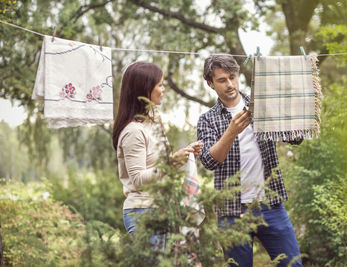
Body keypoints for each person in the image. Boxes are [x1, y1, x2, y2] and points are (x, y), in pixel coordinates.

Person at [197, 54, 303, 266]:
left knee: (293, 264)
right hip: (231, 211)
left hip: (270, 205)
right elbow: (209, 161)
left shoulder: (261, 106)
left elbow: (296, 138)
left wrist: (282, 114)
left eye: (232, 77)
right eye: (222, 80)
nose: (230, 84)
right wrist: (231, 132)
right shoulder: (207, 120)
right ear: (210, 83)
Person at [112, 62, 203, 246]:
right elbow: (138, 179)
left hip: (161, 209)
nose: (163, 90)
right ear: (145, 89)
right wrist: (170, 162)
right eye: (160, 85)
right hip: (143, 213)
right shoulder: (134, 132)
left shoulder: (152, 126)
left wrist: (184, 155)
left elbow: (159, 171)